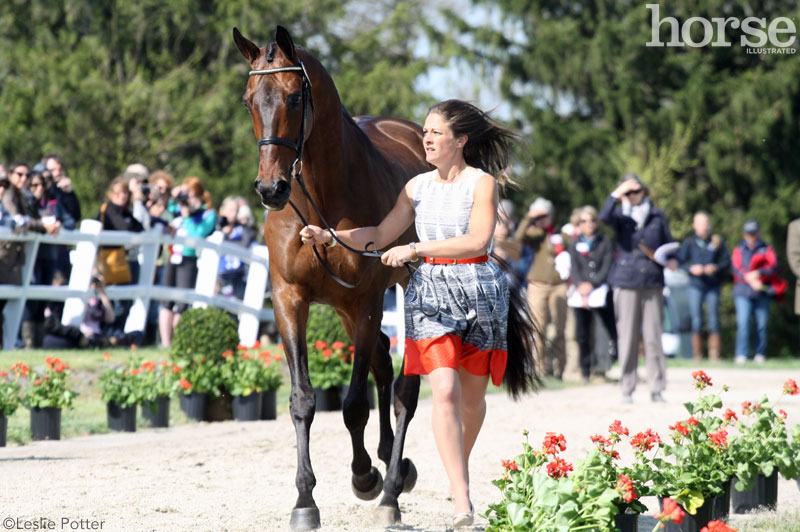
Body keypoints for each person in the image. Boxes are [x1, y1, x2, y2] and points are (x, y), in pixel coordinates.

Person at [298, 99, 536, 527]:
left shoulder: (481, 184)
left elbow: (478, 241)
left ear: (460, 140)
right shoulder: (415, 188)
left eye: (436, 132)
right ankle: (462, 500)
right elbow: (379, 233)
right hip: (431, 296)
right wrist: (331, 235)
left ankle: (455, 468)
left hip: (477, 292)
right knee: (443, 391)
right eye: (424, 131)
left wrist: (416, 248)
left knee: (472, 402)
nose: (426, 138)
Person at [599, 173, 673, 403]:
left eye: (636, 191)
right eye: (628, 192)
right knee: (627, 337)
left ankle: (657, 387)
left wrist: (672, 258)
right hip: (626, 279)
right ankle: (627, 387)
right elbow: (603, 217)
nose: (633, 195)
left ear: (644, 191)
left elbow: (669, 243)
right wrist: (617, 193)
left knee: (653, 336)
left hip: (652, 279)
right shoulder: (619, 215)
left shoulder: (657, 215)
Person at [0, 163, 60, 347]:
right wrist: (42, 225)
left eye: (27, 175)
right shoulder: (11, 194)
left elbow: (15, 220)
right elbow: (14, 220)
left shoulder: (17, 195)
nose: (24, 179)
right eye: (20, 174)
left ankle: (19, 344)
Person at [514, 197, 570, 379]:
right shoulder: (536, 235)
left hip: (559, 286)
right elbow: (518, 237)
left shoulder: (561, 236)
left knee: (561, 329)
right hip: (537, 285)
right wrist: (530, 217)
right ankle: (539, 369)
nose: (543, 218)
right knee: (538, 329)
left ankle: (560, 368)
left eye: (545, 214)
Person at [159, 176, 216, 346]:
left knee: (183, 302)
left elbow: (197, 235)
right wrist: (174, 195)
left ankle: (177, 341)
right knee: (166, 302)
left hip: (189, 258)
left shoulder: (207, 213)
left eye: (188, 193)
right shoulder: (178, 208)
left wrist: (188, 216)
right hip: (173, 256)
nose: (186, 198)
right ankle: (165, 343)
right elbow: (164, 210)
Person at [567, 206, 617, 384]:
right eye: (584, 221)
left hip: (601, 291)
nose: (588, 224)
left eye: (592, 220)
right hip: (580, 292)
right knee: (582, 333)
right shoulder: (574, 243)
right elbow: (575, 267)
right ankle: (585, 370)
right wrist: (581, 285)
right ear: (579, 224)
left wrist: (593, 285)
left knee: (603, 331)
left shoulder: (605, 241)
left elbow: (606, 266)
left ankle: (601, 369)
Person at [677, 211, 730, 362]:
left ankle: (715, 356)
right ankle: (698, 356)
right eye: (700, 223)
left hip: (712, 285)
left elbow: (726, 261)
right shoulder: (689, 242)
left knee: (713, 318)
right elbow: (680, 263)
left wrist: (715, 267)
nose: (703, 226)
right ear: (694, 225)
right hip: (695, 285)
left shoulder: (717, 241)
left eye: (706, 223)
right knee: (697, 319)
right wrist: (691, 269)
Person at [731, 220, 779, 364]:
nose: (751, 237)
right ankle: (741, 354)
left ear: (757, 233)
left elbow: (774, 266)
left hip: (761, 291)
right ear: (744, 234)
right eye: (748, 234)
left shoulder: (766, 248)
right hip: (742, 290)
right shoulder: (739, 249)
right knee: (743, 323)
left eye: (753, 233)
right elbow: (736, 268)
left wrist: (758, 273)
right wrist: (750, 279)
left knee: (761, 324)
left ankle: (760, 353)